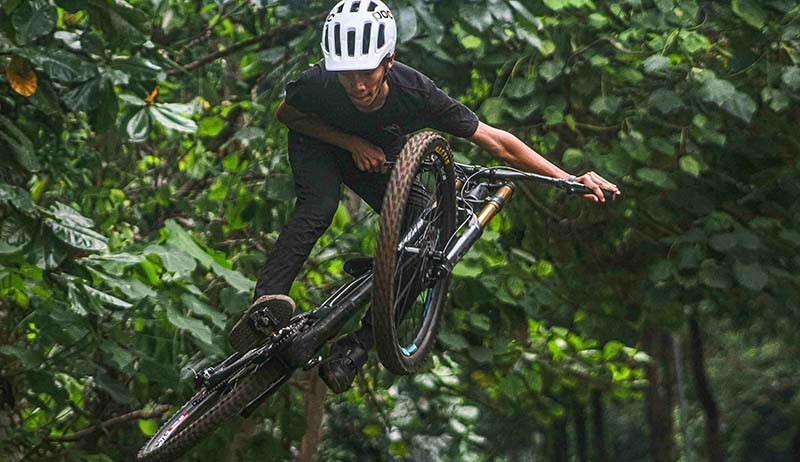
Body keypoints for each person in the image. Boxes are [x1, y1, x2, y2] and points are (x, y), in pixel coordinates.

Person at [230, 0, 620, 393]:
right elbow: (288, 114)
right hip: (319, 146)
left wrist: (568, 177)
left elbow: (497, 143)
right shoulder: (319, 81)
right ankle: (265, 306)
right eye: (348, 77)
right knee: (319, 207)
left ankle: (356, 348)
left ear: (389, 61)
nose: (359, 85)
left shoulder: (415, 91)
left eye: (367, 73)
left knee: (425, 240)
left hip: (377, 160)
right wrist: (349, 142)